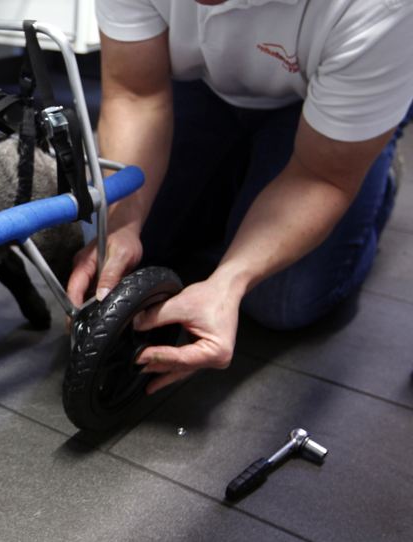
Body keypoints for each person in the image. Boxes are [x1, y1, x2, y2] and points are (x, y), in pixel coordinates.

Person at [67, 0, 413, 395]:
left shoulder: (382, 8)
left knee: (281, 298)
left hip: (321, 105)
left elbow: (321, 177)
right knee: (125, 242)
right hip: (202, 83)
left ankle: (377, 167)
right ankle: (242, 176)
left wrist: (230, 281)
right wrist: (124, 221)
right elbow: (134, 94)